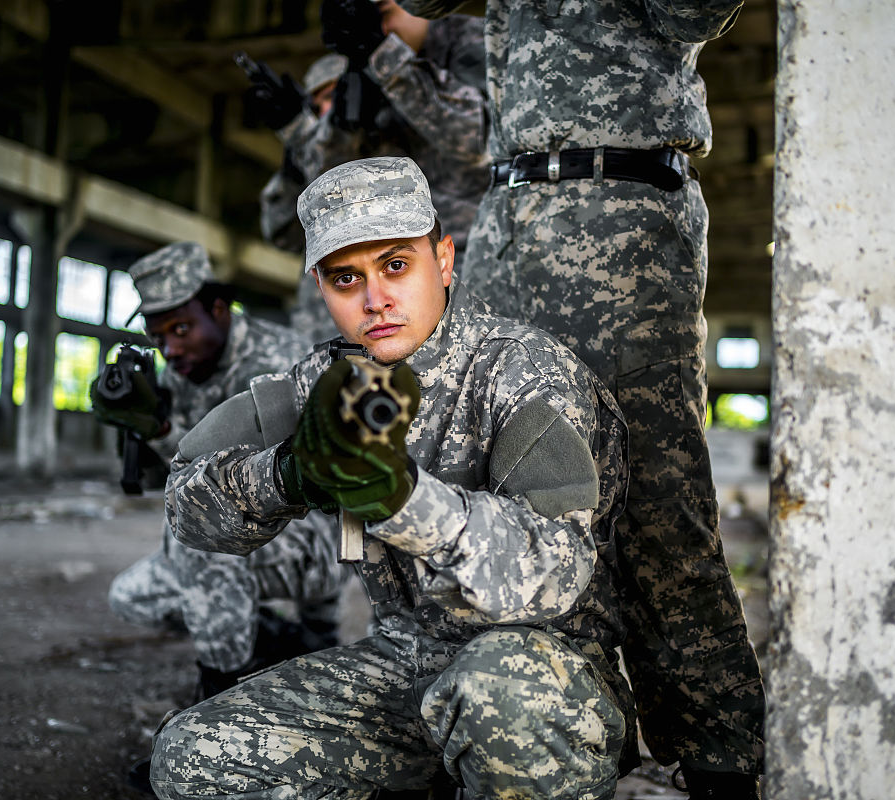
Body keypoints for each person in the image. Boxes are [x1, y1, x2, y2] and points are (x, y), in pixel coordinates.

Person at [149, 156, 638, 799]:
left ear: (444, 260)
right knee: (189, 759)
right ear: (321, 288)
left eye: (396, 266)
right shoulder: (319, 383)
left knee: (495, 693)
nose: (375, 300)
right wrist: (289, 477)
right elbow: (186, 501)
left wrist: (405, 499)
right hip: (408, 666)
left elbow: (555, 573)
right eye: (345, 278)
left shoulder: (524, 372)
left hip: (543, 677)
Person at [392, 1, 766, 797]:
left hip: (620, 204)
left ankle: (720, 763)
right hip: (507, 214)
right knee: (489, 481)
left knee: (657, 503)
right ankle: (542, 739)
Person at [93, 241, 350, 701]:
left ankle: (217, 703)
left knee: (203, 546)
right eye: (159, 337)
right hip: (244, 536)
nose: (171, 349)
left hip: (320, 542)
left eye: (182, 328)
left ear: (220, 310)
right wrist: (143, 427)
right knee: (131, 597)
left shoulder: (281, 364)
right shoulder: (178, 373)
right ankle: (277, 644)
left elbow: (247, 487)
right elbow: (172, 481)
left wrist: (164, 431)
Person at [249, 0, 489, 343]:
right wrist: (297, 134)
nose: (326, 111)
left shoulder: (459, 42)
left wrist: (384, 57)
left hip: (454, 280)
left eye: (332, 97)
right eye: (317, 106)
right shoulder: (351, 116)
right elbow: (304, 218)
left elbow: (474, 139)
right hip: (357, 316)